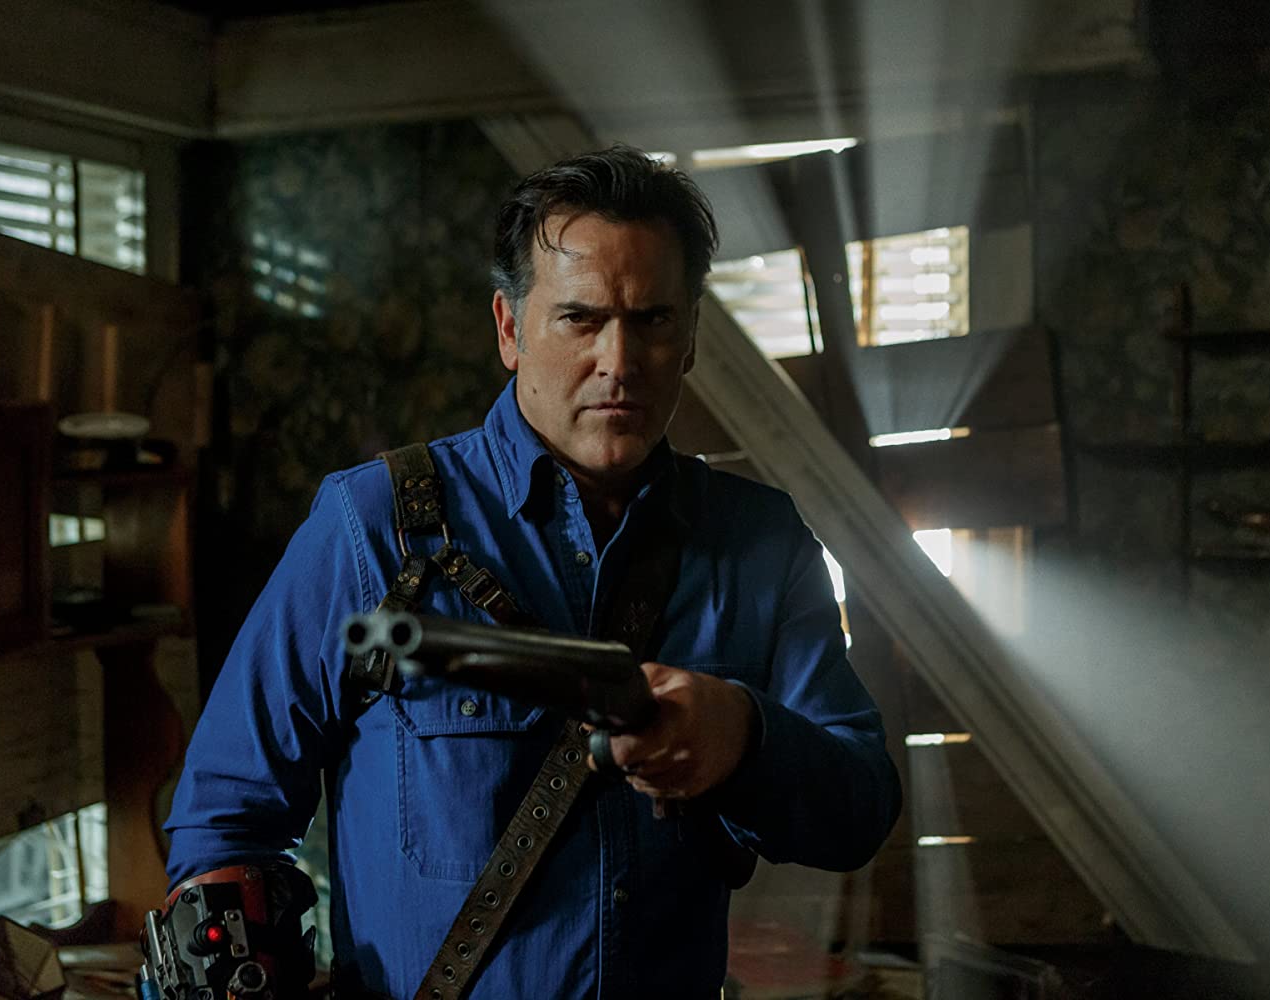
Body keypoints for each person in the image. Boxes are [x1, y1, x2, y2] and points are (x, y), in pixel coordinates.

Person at [164, 145, 902, 999]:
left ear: (692, 335)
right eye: (580, 319)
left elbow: (860, 809)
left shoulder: (760, 543)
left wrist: (741, 739)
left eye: (654, 321)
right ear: (510, 330)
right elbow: (223, 826)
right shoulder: (370, 527)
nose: (619, 362)